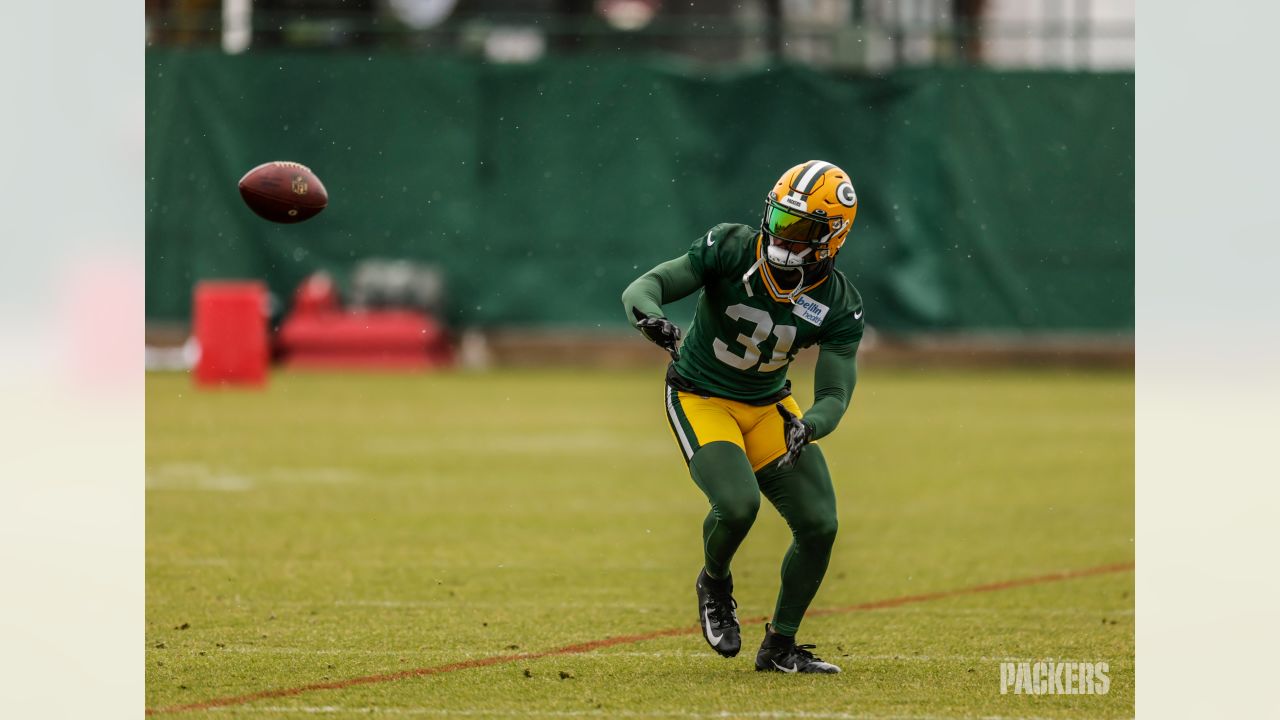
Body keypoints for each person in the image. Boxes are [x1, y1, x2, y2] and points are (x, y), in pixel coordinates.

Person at [621, 160, 865, 674]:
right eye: (778, 220)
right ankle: (714, 582)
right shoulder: (731, 247)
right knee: (736, 506)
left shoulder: (838, 301)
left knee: (820, 525)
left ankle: (781, 646)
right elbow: (645, 286)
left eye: (800, 229)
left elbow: (836, 391)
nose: (781, 236)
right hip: (700, 396)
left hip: (770, 405)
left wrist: (812, 423)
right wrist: (651, 318)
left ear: (832, 238)